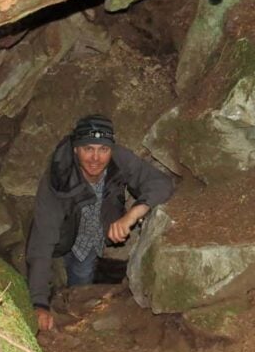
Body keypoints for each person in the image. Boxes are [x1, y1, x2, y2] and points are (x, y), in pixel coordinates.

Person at [26, 114, 174, 331]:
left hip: (92, 240)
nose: (96, 158)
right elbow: (41, 242)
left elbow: (161, 183)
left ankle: (77, 312)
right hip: (63, 237)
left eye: (103, 149)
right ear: (76, 149)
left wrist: (132, 215)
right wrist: (38, 302)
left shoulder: (118, 158)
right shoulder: (58, 179)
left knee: (82, 277)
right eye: (88, 149)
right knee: (56, 272)